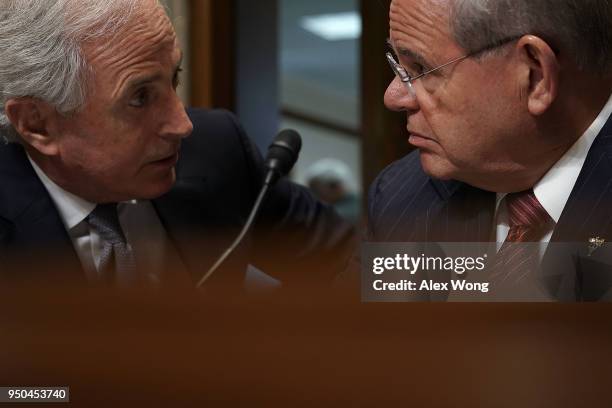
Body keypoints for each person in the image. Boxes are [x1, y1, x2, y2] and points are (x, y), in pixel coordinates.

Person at [0, 0, 354, 290]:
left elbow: (366, 265)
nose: (183, 125)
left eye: (175, 78)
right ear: (37, 123)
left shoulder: (214, 150)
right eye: (140, 97)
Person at [366, 0, 612, 300]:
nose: (393, 98)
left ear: (535, 75)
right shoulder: (400, 196)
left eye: (420, 69)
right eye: (396, 63)